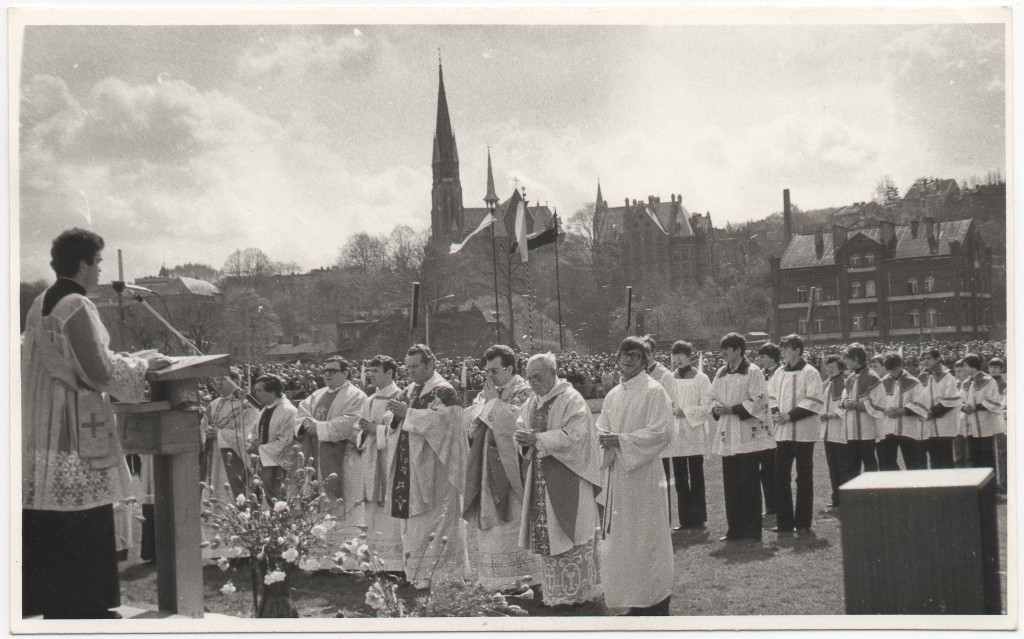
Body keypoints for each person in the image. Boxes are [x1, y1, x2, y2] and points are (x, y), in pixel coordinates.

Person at [22, 228, 171, 619]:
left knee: (54, 519)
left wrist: (131, 358)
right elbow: (99, 372)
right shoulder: (75, 304)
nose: (101, 270)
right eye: (99, 263)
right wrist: (145, 366)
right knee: (84, 517)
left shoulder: (40, 304)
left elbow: (79, 359)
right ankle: (85, 606)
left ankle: (58, 603)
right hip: (72, 423)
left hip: (44, 425)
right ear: (84, 263)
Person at [514, 353, 603, 607]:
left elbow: (577, 436)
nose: (532, 383)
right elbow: (521, 429)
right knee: (548, 534)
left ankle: (579, 593)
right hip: (540, 476)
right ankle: (556, 593)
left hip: (570, 476)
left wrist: (539, 440)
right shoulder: (532, 401)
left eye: (538, 377)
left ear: (553, 373)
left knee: (570, 533)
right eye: (529, 378)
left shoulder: (571, 399)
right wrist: (523, 440)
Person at [596, 337, 673, 615]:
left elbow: (662, 432)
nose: (628, 360)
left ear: (645, 361)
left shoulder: (655, 391)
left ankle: (653, 598)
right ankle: (628, 596)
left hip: (643, 476)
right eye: (624, 355)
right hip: (617, 475)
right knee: (621, 538)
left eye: (635, 356)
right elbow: (601, 426)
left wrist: (623, 441)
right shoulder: (613, 394)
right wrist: (606, 438)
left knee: (646, 535)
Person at [387, 344, 471, 589]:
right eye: (408, 367)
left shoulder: (444, 391)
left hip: (437, 468)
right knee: (416, 523)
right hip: (412, 468)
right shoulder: (410, 389)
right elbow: (395, 421)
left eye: (415, 366)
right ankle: (417, 574)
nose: (410, 372)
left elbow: (448, 426)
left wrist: (409, 414)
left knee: (438, 521)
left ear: (430, 365)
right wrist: (397, 415)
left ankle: (441, 575)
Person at [463, 345, 541, 591]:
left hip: (514, 467)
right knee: (492, 520)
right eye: (487, 371)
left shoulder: (524, 390)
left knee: (516, 518)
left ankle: (526, 576)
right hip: (488, 463)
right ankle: (495, 578)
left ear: (509, 368)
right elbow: (472, 419)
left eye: (494, 371)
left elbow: (515, 421)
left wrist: (492, 405)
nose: (490, 377)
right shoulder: (490, 391)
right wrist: (486, 407)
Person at [708, 333, 775, 543]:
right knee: (732, 485)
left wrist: (733, 409)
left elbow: (760, 400)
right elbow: (711, 397)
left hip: (748, 434)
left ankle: (753, 531)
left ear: (738, 350)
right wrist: (716, 409)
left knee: (750, 484)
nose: (723, 354)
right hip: (728, 435)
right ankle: (734, 530)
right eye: (722, 350)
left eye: (726, 350)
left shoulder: (752, 371)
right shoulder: (721, 373)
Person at [295, 356, 367, 520]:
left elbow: (351, 422)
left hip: (343, 460)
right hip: (316, 455)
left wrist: (318, 427)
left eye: (332, 371)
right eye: (325, 371)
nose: (327, 374)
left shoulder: (356, 396)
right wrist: (306, 424)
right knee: (319, 506)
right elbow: (301, 413)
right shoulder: (317, 394)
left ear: (346, 373)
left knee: (344, 507)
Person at [767, 334, 823, 535]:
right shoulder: (780, 372)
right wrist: (776, 414)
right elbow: (770, 396)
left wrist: (789, 416)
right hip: (783, 433)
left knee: (803, 477)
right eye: (781, 349)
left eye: (786, 349)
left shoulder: (810, 372)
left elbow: (814, 401)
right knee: (780, 476)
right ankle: (784, 522)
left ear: (797, 350)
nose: (782, 353)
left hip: (804, 432)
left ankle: (803, 522)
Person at [356, 355, 406, 573]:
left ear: (389, 373)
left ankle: (396, 563)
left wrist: (375, 430)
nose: (370, 375)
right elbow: (359, 431)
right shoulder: (369, 399)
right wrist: (363, 432)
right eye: (369, 371)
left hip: (390, 459)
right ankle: (375, 559)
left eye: (375, 371)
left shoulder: (400, 397)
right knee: (373, 508)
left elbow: (400, 430)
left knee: (390, 504)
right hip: (371, 459)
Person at [661, 340, 711, 531]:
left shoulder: (701, 378)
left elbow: (707, 406)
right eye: (675, 355)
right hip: (676, 432)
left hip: (693, 430)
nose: (678, 359)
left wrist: (687, 412)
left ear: (689, 356)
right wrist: (672, 410)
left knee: (696, 474)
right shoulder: (669, 378)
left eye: (681, 355)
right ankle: (685, 519)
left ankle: (698, 517)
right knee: (680, 476)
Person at [202, 368, 258, 499]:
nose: (219, 383)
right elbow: (203, 427)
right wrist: (206, 433)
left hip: (234, 457)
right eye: (217, 379)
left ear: (236, 381)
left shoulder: (247, 405)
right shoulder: (212, 405)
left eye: (223, 379)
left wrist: (220, 434)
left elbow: (249, 433)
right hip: (213, 452)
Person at [876, 353, 929, 471]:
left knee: (913, 463)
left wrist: (904, 410)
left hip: (908, 428)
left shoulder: (914, 382)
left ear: (901, 365)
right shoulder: (882, 382)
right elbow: (875, 402)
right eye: (889, 370)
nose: (892, 373)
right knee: (887, 462)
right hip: (887, 428)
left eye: (894, 369)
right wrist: (885, 410)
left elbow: (922, 403)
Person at [251, 374, 297, 504]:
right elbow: (254, 432)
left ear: (272, 392)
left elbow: (286, 443)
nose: (256, 395)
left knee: (280, 501)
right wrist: (252, 442)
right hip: (265, 462)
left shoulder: (288, 411)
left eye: (259, 391)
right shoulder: (265, 410)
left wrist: (259, 448)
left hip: (281, 465)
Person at [840, 343, 883, 480]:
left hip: (866, 429)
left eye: (847, 358)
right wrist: (845, 402)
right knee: (851, 465)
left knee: (869, 462)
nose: (845, 361)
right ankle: (854, 498)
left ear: (857, 358)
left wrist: (857, 405)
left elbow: (879, 403)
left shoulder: (872, 377)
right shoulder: (851, 377)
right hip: (852, 429)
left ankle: (873, 495)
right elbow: (844, 397)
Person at [959, 354, 1004, 472]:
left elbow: (994, 402)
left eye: (965, 366)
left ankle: (990, 488)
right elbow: (960, 400)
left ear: (973, 366)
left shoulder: (989, 381)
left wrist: (975, 407)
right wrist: (964, 407)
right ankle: (978, 488)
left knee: (987, 458)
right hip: (971, 426)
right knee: (975, 458)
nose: (964, 369)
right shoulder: (965, 383)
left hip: (985, 426)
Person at [918, 349, 960, 469]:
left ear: (937, 359)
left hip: (943, 423)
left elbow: (952, 399)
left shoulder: (947, 376)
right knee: (934, 458)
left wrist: (933, 412)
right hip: (928, 424)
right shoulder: (922, 376)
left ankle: (949, 487)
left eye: (929, 358)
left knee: (945, 458)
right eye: (924, 359)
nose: (926, 361)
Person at [754, 343, 781, 517]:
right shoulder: (762, 374)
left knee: (774, 468)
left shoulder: (781, 373)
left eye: (763, 357)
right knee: (764, 468)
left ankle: (777, 504)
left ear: (772, 356)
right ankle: (770, 505)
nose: (760, 360)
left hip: (777, 424)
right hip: (762, 424)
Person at [819, 355, 848, 510]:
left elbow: (846, 404)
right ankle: (836, 498)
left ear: (840, 368)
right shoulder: (826, 384)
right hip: (828, 430)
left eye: (833, 367)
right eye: (827, 367)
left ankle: (844, 498)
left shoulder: (846, 382)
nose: (830, 370)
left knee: (842, 466)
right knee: (832, 466)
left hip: (840, 429)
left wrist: (831, 414)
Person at [987, 358, 1008, 495]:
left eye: (997, 367)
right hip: (988, 419)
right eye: (992, 367)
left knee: (1001, 451)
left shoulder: (1003, 384)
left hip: (1000, 418)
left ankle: (1004, 482)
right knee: (990, 451)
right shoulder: (987, 382)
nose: (994, 370)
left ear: (1001, 369)